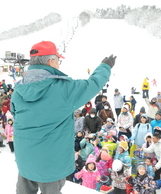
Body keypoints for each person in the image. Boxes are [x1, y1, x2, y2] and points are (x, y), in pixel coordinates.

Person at [11, 41, 116, 193]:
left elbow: (16, 115)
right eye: (58, 60)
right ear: (50, 61)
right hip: (51, 161)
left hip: (25, 158)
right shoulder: (63, 88)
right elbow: (92, 84)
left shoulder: (19, 89)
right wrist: (105, 66)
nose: (59, 64)